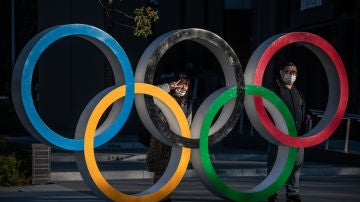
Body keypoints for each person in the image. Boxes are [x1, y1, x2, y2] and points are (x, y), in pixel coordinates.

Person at [267, 62, 311, 202]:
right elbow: (266, 108)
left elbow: (304, 109)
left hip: (298, 136)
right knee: (276, 165)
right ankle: (272, 192)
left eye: (294, 72)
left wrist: (307, 118)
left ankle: (292, 193)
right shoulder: (275, 89)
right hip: (280, 135)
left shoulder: (297, 91)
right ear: (281, 73)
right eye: (288, 72)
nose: (291, 75)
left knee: (296, 166)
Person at [146, 74, 192, 202]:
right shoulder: (164, 97)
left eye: (186, 85)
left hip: (175, 140)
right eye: (181, 83)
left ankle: (166, 196)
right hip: (161, 137)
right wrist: (168, 86)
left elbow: (188, 123)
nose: (183, 87)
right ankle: (157, 194)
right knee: (159, 168)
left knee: (171, 169)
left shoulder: (187, 103)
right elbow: (150, 93)